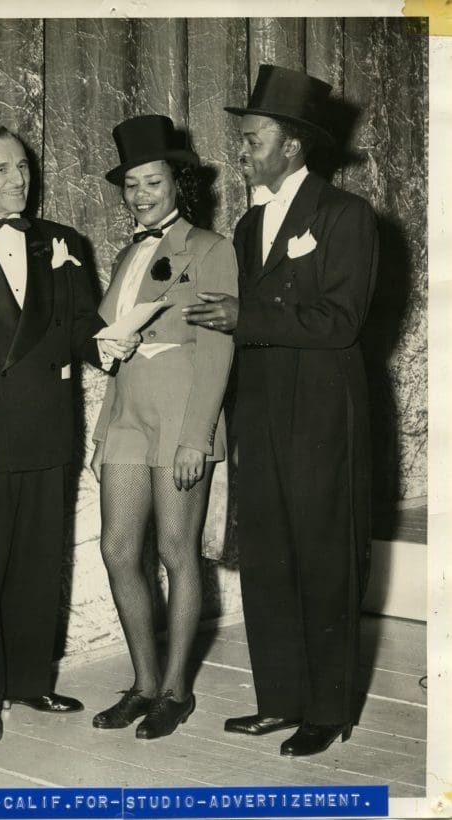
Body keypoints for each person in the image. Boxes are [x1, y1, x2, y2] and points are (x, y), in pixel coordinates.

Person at [184, 64, 379, 757]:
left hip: (323, 416)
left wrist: (247, 314)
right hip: (260, 418)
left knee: (323, 557)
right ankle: (281, 700)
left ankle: (328, 710)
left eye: (253, 139)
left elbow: (341, 321)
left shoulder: (345, 216)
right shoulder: (246, 224)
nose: (241, 151)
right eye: (243, 140)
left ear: (291, 145)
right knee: (267, 557)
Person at [0, 124, 138, 742]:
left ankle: (30, 681)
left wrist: (108, 343)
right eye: (0, 169)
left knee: (38, 561)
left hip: (48, 429)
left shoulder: (62, 241)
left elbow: (81, 327)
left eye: (22, 166)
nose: (17, 179)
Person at [90, 114, 238, 739]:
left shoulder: (210, 249)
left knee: (177, 552)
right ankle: (144, 683)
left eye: (153, 181)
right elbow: (114, 345)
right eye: (131, 184)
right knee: (119, 549)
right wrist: (102, 431)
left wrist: (197, 437)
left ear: (178, 182)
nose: (142, 193)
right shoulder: (127, 253)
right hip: (127, 412)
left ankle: (176, 690)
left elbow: (218, 351)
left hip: (182, 412)